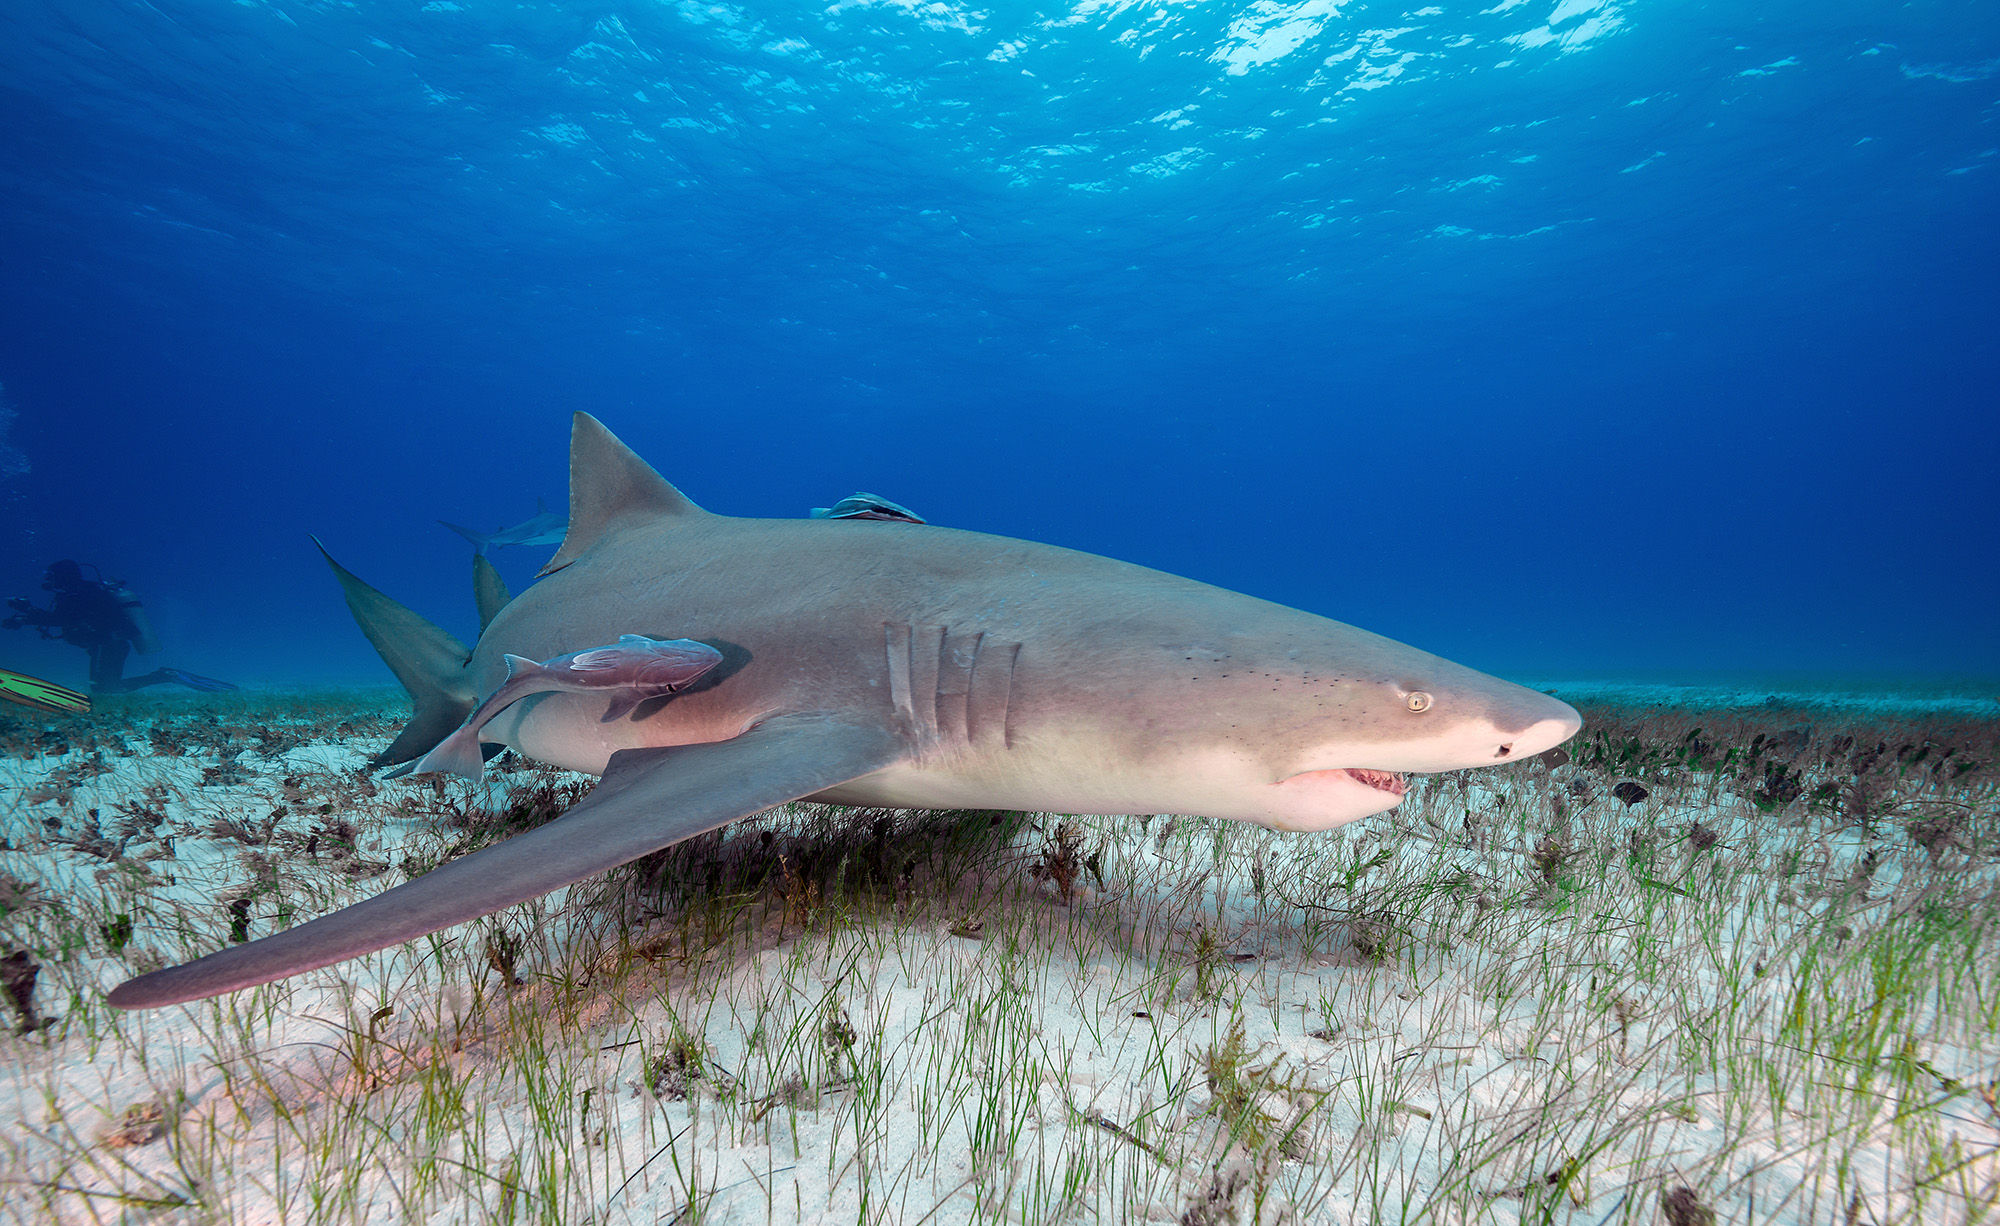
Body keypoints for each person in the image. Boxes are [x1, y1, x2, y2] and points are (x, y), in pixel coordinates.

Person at [3, 560, 235, 694]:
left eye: (52, 576)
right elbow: (63, 619)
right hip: (105, 644)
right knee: (102, 688)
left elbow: (61, 620)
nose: (49, 581)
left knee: (106, 688)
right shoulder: (80, 591)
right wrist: (27, 615)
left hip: (110, 643)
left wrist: (27, 614)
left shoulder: (79, 593)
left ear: (63, 577)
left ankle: (165, 675)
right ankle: (163, 675)